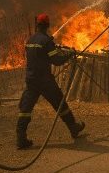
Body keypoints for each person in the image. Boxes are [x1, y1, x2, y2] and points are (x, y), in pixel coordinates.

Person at [16, 13, 85, 149]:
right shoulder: (46, 41)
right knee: (60, 103)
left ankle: (20, 138)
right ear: (47, 25)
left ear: (37, 25)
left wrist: (51, 49)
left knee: (26, 108)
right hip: (45, 81)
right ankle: (73, 127)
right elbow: (57, 61)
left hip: (31, 80)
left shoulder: (30, 40)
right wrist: (69, 54)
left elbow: (39, 57)